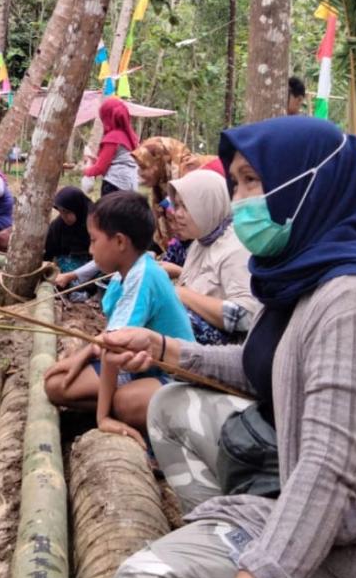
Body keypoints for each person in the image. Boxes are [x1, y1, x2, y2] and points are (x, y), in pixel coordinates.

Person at [105, 116, 356, 578]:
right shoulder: (312, 273)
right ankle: (243, 558)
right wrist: (165, 349)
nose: (242, 200)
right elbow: (263, 365)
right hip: (337, 521)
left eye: (253, 181)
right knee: (170, 407)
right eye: (236, 183)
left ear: (312, 182)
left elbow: (328, 471)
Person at [43, 192, 193, 440]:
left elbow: (113, 348)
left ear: (120, 242)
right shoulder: (122, 274)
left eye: (94, 240)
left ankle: (120, 416)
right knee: (55, 384)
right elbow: (111, 336)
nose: (90, 249)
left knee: (124, 403)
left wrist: (103, 417)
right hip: (138, 366)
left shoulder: (143, 277)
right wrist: (82, 355)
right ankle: (118, 407)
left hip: (174, 377)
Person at [168, 169, 257, 345]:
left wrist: (181, 293)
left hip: (222, 353)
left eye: (186, 206)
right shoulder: (200, 242)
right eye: (177, 205)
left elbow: (246, 316)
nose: (177, 214)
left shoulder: (235, 248)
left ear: (208, 205)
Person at [132, 136, 194, 250]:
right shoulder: (161, 186)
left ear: (160, 163)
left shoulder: (189, 182)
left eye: (144, 167)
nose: (139, 173)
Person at [82, 97, 140, 196]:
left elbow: (100, 168)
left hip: (114, 185)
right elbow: (118, 161)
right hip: (130, 186)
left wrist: (85, 171)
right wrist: (95, 160)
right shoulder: (130, 137)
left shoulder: (113, 137)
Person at [44, 186, 93, 275]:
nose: (64, 217)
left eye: (67, 212)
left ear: (77, 208)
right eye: (61, 212)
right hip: (65, 268)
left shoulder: (94, 223)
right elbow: (48, 251)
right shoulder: (58, 225)